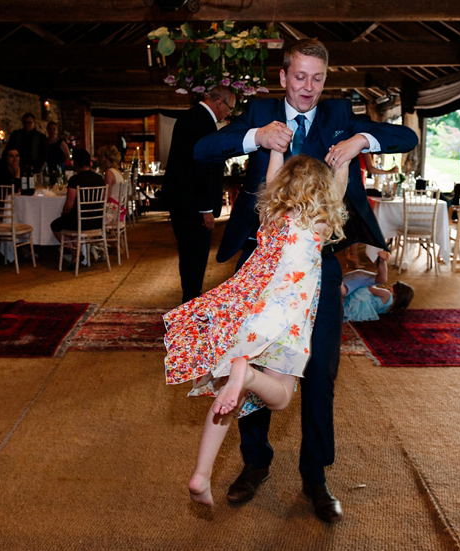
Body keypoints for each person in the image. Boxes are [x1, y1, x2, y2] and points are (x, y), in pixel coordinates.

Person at [192, 38, 419, 523]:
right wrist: (256, 138)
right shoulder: (260, 111)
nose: (309, 88)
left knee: (320, 372)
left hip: (320, 265)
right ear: (283, 77)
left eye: (317, 78)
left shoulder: (340, 113)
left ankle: (315, 476)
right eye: (300, 77)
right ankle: (255, 463)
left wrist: (361, 141)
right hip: (259, 265)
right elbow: (201, 149)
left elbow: (407, 139)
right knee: (249, 359)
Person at [164, 151, 349, 506]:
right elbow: (337, 193)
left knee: (226, 404)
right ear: (322, 193)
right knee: (281, 396)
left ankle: (201, 474)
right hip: (286, 323)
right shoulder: (319, 225)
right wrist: (341, 165)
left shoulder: (270, 217)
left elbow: (269, 181)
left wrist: (277, 152)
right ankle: (246, 377)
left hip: (253, 318)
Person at [161, 86, 235, 302]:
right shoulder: (203, 122)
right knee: (196, 254)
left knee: (188, 254)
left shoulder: (189, 117)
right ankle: (192, 299)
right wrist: (206, 208)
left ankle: (191, 296)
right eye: (230, 108)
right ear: (219, 102)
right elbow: (201, 167)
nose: (229, 113)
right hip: (192, 203)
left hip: (182, 200)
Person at [341, 251, 415, 322]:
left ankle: (382, 261)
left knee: (379, 280)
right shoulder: (389, 309)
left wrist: (369, 283)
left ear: (397, 292)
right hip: (358, 308)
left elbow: (370, 289)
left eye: (394, 286)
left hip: (359, 300)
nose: (390, 286)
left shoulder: (387, 294)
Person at [50, 147, 106, 241]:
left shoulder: (75, 180)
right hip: (98, 220)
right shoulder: (99, 178)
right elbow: (103, 199)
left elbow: (69, 205)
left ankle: (75, 252)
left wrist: (64, 213)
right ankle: (78, 251)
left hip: (80, 221)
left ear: (76, 163)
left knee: (55, 225)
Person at [97, 144, 125, 224]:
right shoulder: (118, 171)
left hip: (111, 212)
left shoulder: (109, 173)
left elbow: (106, 195)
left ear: (105, 159)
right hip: (118, 210)